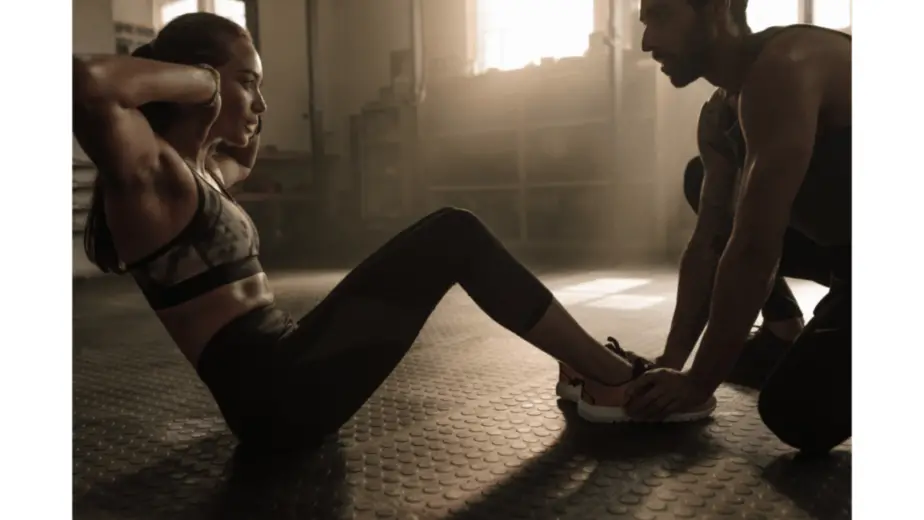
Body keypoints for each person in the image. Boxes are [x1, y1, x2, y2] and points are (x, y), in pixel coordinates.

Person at [72, 12, 713, 451]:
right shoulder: (151, 175)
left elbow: (243, 150)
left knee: (448, 235)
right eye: (248, 84)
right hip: (279, 395)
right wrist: (210, 82)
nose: (262, 104)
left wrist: (232, 95)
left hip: (281, 381)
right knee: (452, 234)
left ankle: (583, 370)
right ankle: (607, 379)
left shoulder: (205, 171)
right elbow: (88, 82)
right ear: (198, 82)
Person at [577, 0, 852, 455]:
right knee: (702, 180)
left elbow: (753, 248)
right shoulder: (719, 114)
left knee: (797, 414)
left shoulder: (788, 64)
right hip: (847, 251)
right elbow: (709, 242)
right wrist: (672, 364)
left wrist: (700, 382)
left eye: (661, 15)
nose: (647, 42)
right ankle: (781, 330)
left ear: (719, 8)